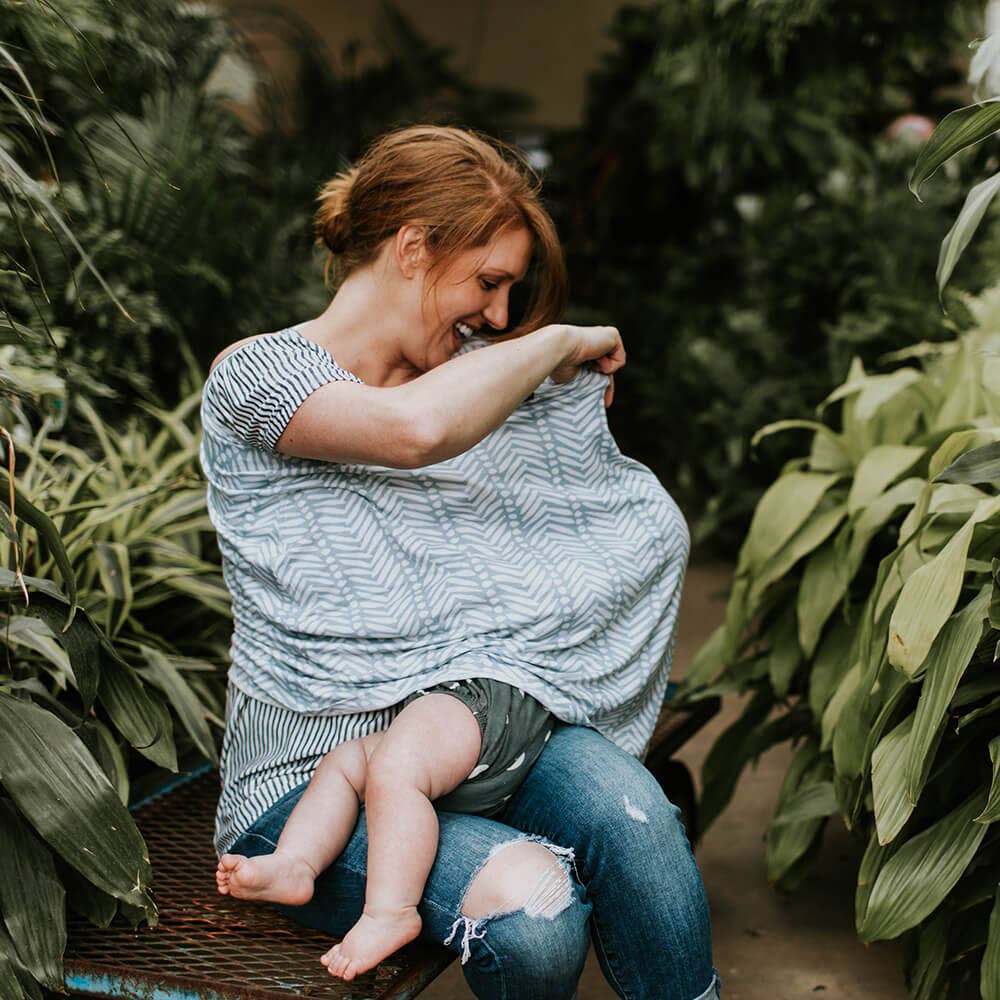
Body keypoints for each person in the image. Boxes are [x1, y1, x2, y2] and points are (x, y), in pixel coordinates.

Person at [201, 124, 719, 999]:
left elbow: (585, 525)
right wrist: (557, 343)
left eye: (514, 296)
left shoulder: (487, 380)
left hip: (481, 730)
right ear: (412, 250)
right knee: (535, 909)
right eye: (489, 283)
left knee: (641, 823)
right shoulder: (257, 376)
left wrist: (550, 397)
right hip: (311, 788)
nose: (503, 317)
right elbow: (416, 432)